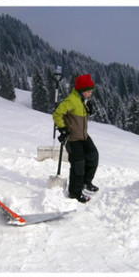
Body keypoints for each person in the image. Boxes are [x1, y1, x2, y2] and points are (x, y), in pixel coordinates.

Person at [52, 74, 99, 203]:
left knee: (93, 156)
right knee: (78, 164)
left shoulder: (82, 100)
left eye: (91, 91)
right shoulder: (71, 100)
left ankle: (86, 182)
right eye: (89, 91)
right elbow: (57, 114)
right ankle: (75, 192)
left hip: (83, 136)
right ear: (81, 90)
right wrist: (62, 128)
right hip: (72, 138)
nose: (90, 94)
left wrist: (88, 110)